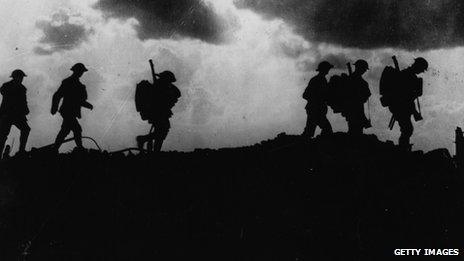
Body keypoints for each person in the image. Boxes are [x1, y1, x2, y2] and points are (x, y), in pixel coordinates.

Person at [51, 63, 93, 151]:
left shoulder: (80, 85)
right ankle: (80, 148)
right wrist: (54, 108)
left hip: (72, 111)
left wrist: (87, 105)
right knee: (77, 129)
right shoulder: (68, 82)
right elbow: (57, 95)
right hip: (67, 111)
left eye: (82, 71)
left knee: (65, 130)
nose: (81, 73)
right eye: (80, 71)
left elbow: (79, 100)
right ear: (76, 71)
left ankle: (55, 149)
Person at [136, 71, 181, 152]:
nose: (170, 82)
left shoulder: (163, 85)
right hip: (157, 113)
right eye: (169, 80)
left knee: (161, 132)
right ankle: (143, 139)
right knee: (162, 131)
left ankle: (150, 145)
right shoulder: (160, 86)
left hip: (160, 113)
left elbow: (176, 93)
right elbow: (160, 100)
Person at [390, 57, 428, 150]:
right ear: (418, 66)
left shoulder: (407, 74)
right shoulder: (408, 75)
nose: (422, 72)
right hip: (402, 107)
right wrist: (414, 112)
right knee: (407, 130)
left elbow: (410, 98)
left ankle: (403, 148)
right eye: (422, 69)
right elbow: (407, 98)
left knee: (407, 130)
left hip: (403, 107)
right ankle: (403, 150)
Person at [0, 69, 31, 157]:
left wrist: (25, 109)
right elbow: (4, 93)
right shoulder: (8, 86)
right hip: (8, 114)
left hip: (15, 115)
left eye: (22, 77)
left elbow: (23, 102)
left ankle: (21, 151)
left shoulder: (20, 88)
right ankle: (20, 151)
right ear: (15, 77)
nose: (21, 79)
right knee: (3, 135)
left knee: (25, 129)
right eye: (20, 77)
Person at [301, 61, 333, 138]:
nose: (328, 70)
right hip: (315, 110)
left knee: (309, 132)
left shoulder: (321, 80)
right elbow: (305, 95)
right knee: (326, 129)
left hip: (316, 110)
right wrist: (318, 99)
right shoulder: (317, 80)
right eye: (327, 69)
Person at [344, 59, 371, 135]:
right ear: (361, 68)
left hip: (351, 109)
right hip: (356, 109)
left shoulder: (351, 79)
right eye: (364, 69)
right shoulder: (360, 82)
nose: (365, 71)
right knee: (356, 131)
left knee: (353, 130)